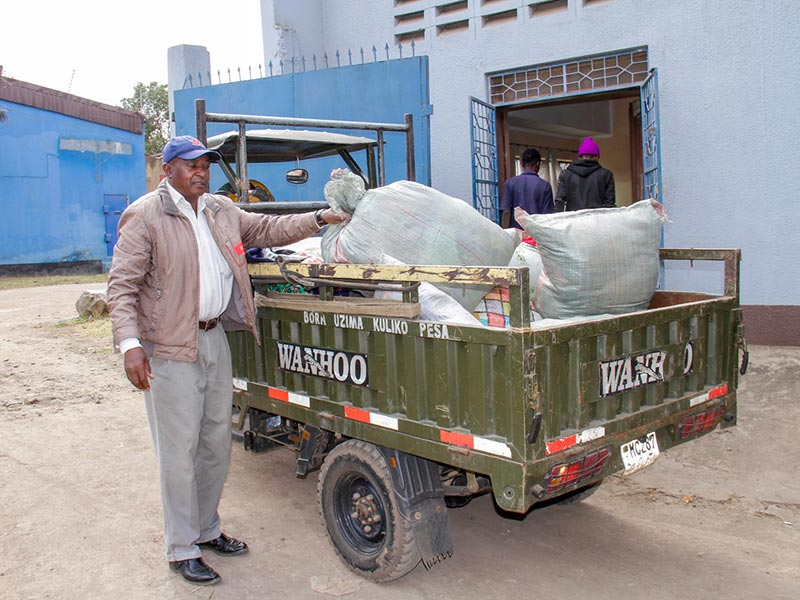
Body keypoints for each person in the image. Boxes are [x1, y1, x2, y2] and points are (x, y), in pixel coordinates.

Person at [107, 135, 346, 586]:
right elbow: (121, 285)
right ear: (168, 171)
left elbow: (269, 229)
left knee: (215, 444)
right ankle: (182, 548)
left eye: (206, 165)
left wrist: (319, 218)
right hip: (168, 347)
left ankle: (206, 529)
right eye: (191, 165)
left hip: (214, 338)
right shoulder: (146, 215)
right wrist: (129, 344)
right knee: (179, 452)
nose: (201, 172)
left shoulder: (220, 209)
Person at [554, 137, 616, 211]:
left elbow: (559, 202)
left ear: (579, 157)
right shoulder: (606, 175)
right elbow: (609, 204)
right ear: (597, 157)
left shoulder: (565, 174)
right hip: (597, 217)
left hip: (573, 217)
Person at [500, 148, 554, 229]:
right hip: (536, 234)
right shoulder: (545, 186)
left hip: (515, 233)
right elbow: (547, 216)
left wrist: (504, 232)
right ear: (538, 164)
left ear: (522, 164)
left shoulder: (510, 183)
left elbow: (506, 212)